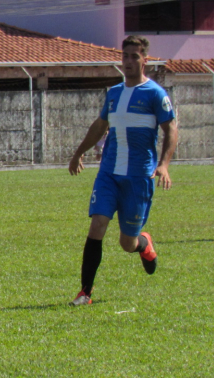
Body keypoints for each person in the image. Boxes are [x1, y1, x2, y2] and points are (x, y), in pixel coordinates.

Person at [68, 35, 178, 306]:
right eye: (125, 56)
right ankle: (85, 293)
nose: (128, 61)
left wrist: (163, 164)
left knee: (126, 243)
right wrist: (79, 152)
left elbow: (171, 129)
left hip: (139, 177)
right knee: (97, 225)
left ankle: (143, 243)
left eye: (134, 56)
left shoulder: (155, 94)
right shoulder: (114, 93)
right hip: (109, 174)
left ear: (145, 60)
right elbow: (100, 125)